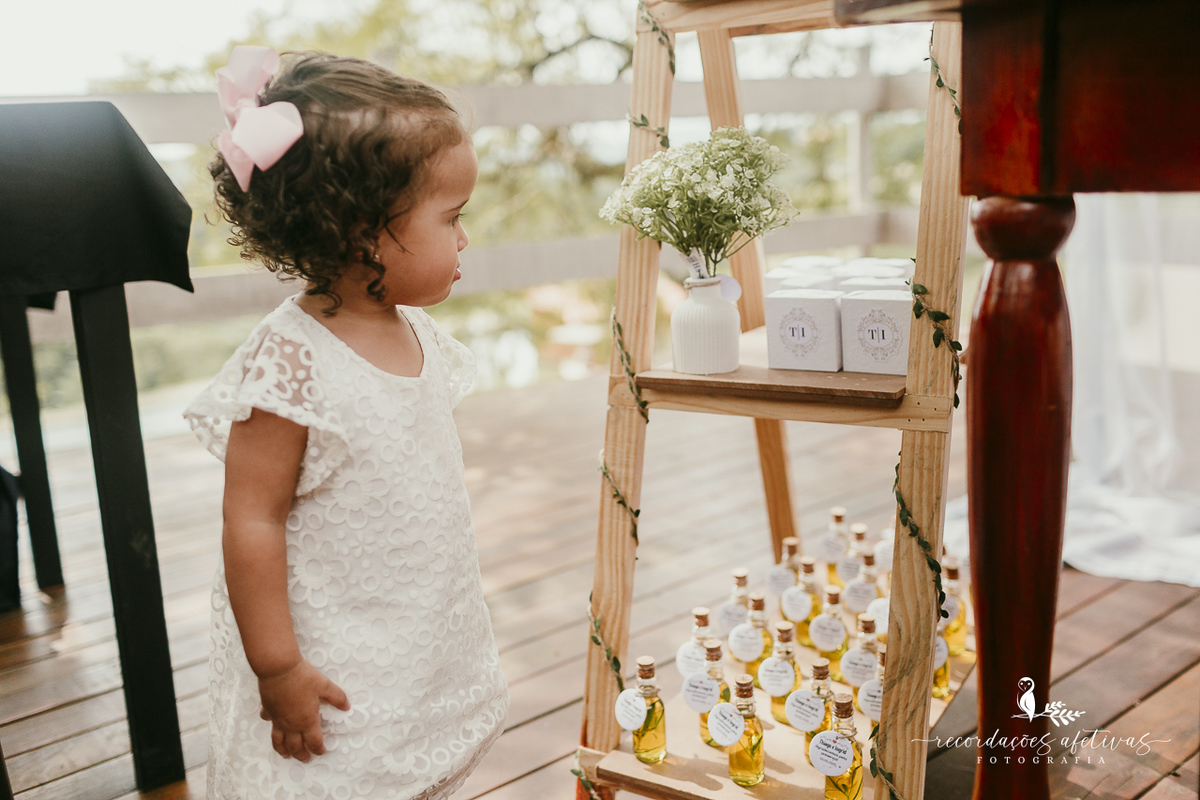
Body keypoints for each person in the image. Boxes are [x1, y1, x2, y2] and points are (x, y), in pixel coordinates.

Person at [183, 46, 509, 799]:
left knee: (413, 759)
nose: (464, 238)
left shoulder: (416, 331)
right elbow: (251, 521)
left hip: (411, 622)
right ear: (364, 230)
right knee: (341, 773)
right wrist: (277, 667)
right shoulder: (289, 365)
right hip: (327, 647)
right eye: (451, 217)